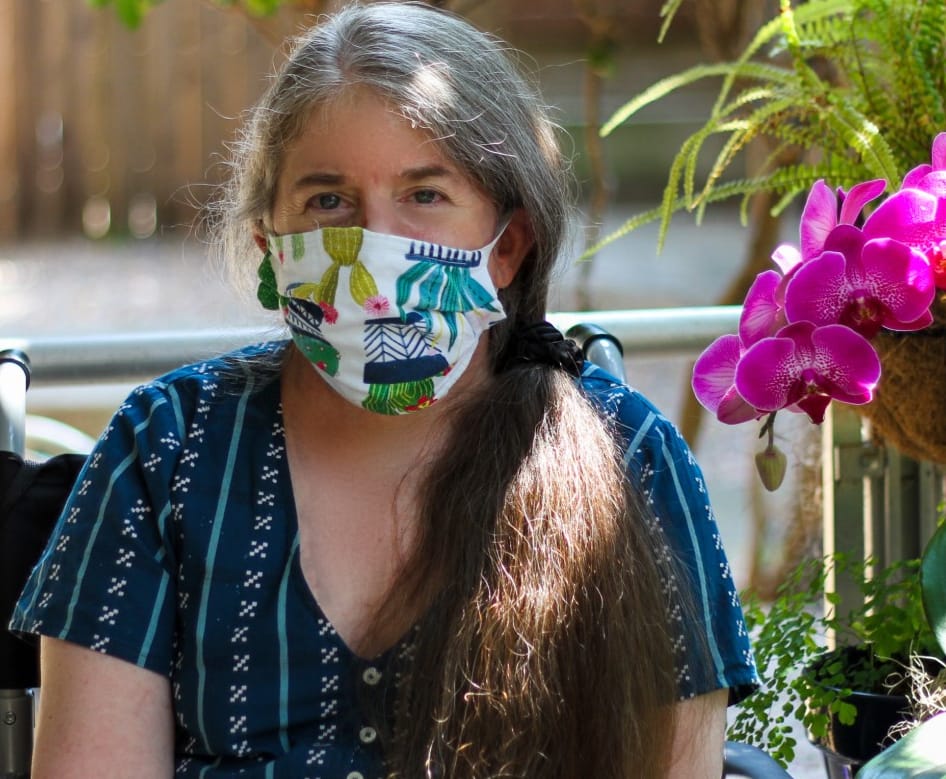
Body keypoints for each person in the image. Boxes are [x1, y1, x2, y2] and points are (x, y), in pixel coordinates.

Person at [11, 3, 758, 777]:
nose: (371, 249)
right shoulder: (168, 446)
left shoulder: (628, 458)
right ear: (271, 245)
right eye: (328, 201)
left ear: (508, 247)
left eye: (425, 195)